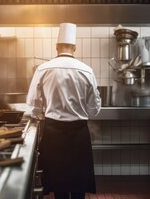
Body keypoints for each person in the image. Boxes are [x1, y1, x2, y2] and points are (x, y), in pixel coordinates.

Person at [26, 22, 102, 199]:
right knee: (78, 183)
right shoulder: (86, 70)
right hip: (80, 132)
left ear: (56, 47)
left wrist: (42, 114)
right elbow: (94, 109)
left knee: (58, 184)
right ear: (74, 48)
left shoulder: (43, 69)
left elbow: (33, 104)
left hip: (53, 132)